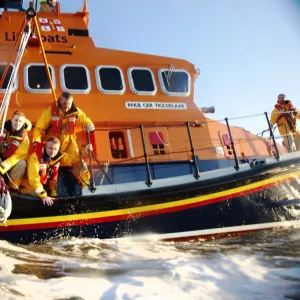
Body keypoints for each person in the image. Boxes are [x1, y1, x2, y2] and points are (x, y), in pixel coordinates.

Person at [33, 92, 95, 189]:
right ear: (60, 102)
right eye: (65, 104)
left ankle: (86, 186)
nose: (67, 106)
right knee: (49, 166)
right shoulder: (50, 112)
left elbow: (84, 119)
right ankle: (49, 188)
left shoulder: (76, 112)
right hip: (53, 145)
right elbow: (38, 128)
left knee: (80, 163)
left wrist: (89, 125)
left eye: (69, 104)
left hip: (70, 143)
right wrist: (36, 142)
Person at [28, 137, 93, 206]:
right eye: (50, 148)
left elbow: (71, 158)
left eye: (55, 149)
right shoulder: (35, 159)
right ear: (46, 147)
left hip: (46, 187)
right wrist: (43, 196)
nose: (53, 151)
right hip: (31, 189)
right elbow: (34, 181)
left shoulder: (58, 156)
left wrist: (85, 152)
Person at [0, 111, 31, 190]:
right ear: (11, 119)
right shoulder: (1, 128)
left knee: (21, 163)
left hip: (9, 163)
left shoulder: (24, 139)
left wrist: (2, 167)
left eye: (20, 121)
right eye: (16, 120)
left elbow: (17, 156)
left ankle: (13, 187)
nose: (18, 123)